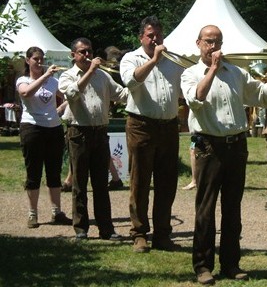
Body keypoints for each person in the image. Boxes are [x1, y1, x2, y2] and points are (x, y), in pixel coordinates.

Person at [181, 25, 267, 284]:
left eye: (218, 41)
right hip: (209, 146)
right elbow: (196, 99)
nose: (213, 46)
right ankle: (203, 266)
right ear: (198, 43)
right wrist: (212, 70)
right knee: (206, 210)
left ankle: (231, 263)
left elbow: (261, 96)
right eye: (208, 41)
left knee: (232, 208)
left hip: (236, 146)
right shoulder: (190, 73)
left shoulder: (237, 72)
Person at [119, 16, 184, 253]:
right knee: (140, 181)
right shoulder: (130, 58)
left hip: (168, 126)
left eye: (159, 34)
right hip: (141, 125)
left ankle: (162, 234)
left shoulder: (173, 61)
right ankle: (139, 233)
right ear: (141, 38)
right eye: (150, 35)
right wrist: (154, 60)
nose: (155, 39)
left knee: (167, 182)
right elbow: (130, 81)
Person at [59, 37, 128, 241]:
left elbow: (121, 94)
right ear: (73, 55)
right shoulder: (67, 76)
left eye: (89, 51)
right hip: (78, 133)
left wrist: (138, 85)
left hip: (99, 132)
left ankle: (106, 228)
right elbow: (71, 94)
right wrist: (89, 72)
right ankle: (81, 228)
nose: (87, 55)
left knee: (101, 184)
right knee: (80, 183)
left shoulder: (103, 76)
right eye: (82, 52)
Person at [16, 46, 72, 228]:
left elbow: (68, 97)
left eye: (41, 59)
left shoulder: (53, 82)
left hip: (53, 128)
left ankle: (57, 211)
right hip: (32, 128)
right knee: (34, 172)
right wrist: (45, 76)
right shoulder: (22, 80)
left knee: (54, 171)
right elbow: (26, 93)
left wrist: (60, 109)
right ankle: (33, 213)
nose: (39, 62)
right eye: (35, 59)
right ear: (27, 60)